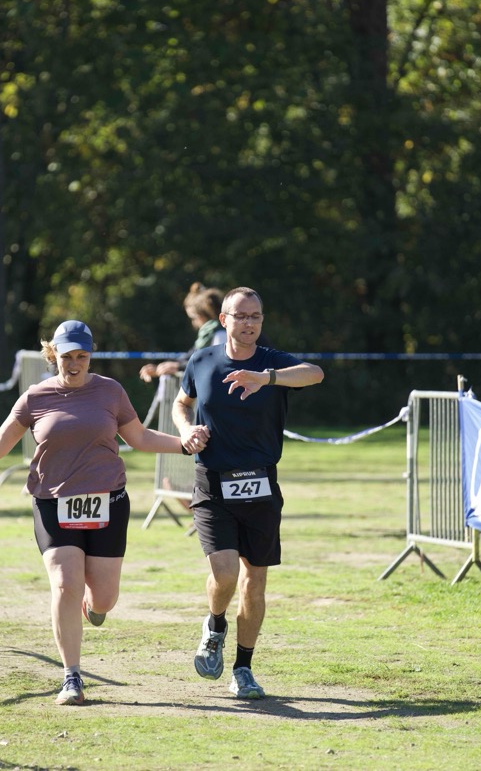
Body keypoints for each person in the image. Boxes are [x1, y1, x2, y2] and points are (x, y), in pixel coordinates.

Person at [0, 320, 209, 706]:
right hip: (53, 503)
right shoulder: (35, 397)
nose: (74, 364)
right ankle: (71, 676)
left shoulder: (110, 391)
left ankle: (92, 607)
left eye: (82, 356)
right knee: (64, 583)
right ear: (52, 355)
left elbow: (139, 438)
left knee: (104, 599)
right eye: (66, 357)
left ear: (90, 356)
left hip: (108, 502)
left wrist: (185, 444)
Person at [172, 286, 323, 700]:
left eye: (255, 316)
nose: (249, 323)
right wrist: (186, 430)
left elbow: (315, 373)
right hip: (213, 482)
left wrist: (266, 378)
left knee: (254, 582)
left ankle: (243, 668)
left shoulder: (272, 362)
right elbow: (181, 403)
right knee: (224, 574)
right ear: (224, 320)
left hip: (261, 485)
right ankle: (215, 623)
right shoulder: (202, 360)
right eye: (241, 316)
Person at [139, 283, 226, 382]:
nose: (193, 323)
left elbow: (214, 364)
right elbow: (190, 357)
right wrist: (160, 367)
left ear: (202, 315)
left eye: (193, 318)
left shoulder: (220, 334)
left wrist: (178, 367)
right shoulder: (207, 335)